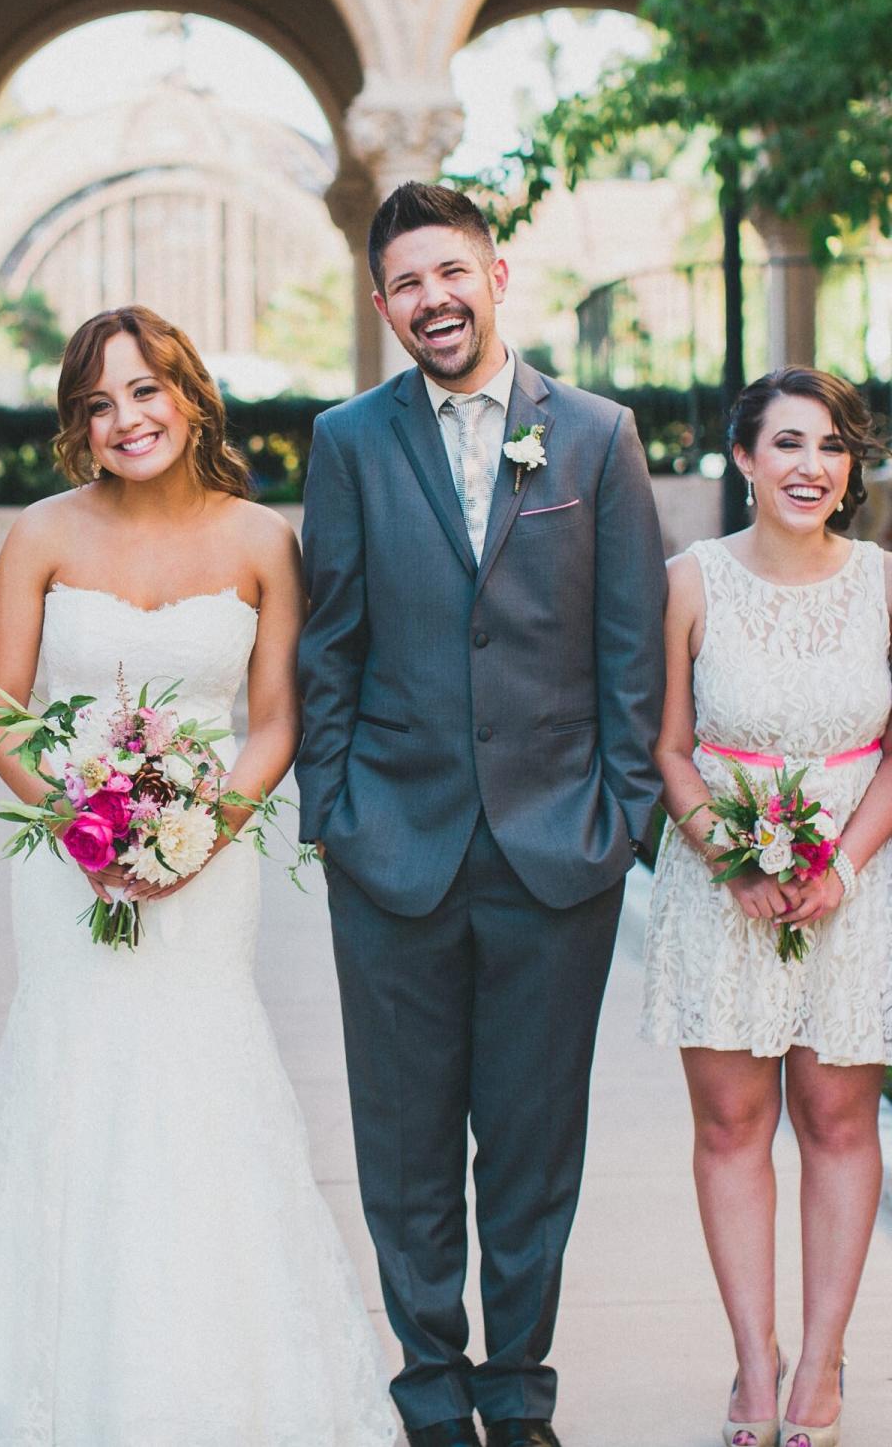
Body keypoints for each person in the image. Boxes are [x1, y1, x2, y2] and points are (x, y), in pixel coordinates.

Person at [0, 304, 396, 1446]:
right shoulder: (41, 535)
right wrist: (83, 824)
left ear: (189, 393)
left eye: (146, 390)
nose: (128, 418)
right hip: (67, 865)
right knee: (71, 1086)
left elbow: (274, 721)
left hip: (206, 866)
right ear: (80, 425)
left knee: (203, 1089)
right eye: (100, 402)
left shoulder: (262, 539)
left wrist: (202, 828)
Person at [296, 181, 666, 1447]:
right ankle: (429, 1394)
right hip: (391, 850)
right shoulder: (346, 440)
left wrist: (621, 820)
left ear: (496, 275)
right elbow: (327, 643)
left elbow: (631, 651)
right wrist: (335, 816)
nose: (431, 300)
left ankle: (518, 1393)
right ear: (383, 303)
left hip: (559, 851)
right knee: (402, 1153)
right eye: (405, 283)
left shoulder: (597, 436)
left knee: (530, 1147)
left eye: (449, 272)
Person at [642, 367, 892, 1447]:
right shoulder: (689, 580)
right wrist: (730, 860)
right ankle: (755, 1366)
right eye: (788, 444)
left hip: (852, 880)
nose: (812, 467)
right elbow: (664, 746)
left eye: (833, 447)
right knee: (732, 1125)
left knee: (838, 1126)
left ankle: (821, 1366)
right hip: (721, 886)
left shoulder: (885, 581)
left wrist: (840, 865)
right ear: (743, 459)